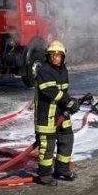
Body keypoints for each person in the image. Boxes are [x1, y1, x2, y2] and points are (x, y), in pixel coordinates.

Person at [33, 39, 80, 185]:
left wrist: (69, 105)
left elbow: (63, 91)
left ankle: (62, 170)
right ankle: (45, 175)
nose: (55, 57)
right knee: (47, 146)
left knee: (67, 140)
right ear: (48, 56)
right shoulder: (44, 71)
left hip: (61, 114)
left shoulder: (63, 70)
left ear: (63, 57)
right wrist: (70, 103)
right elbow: (52, 92)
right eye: (52, 54)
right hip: (46, 116)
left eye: (58, 55)